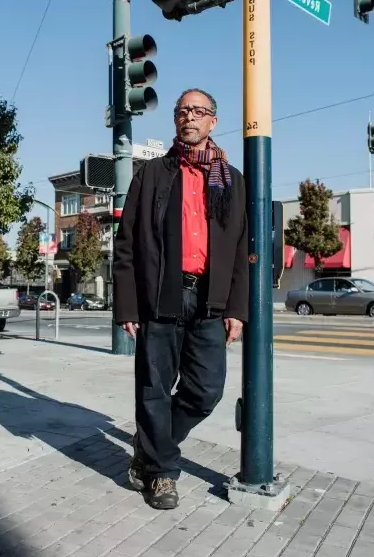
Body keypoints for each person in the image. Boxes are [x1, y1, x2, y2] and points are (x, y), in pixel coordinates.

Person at [113, 88, 249, 510]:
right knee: (154, 389)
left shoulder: (232, 180)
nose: (188, 117)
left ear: (213, 120)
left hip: (210, 300)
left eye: (198, 111)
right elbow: (127, 244)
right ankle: (161, 474)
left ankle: (149, 446)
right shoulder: (152, 174)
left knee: (206, 390)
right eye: (181, 111)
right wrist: (127, 305)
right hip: (160, 296)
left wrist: (237, 309)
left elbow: (242, 249)